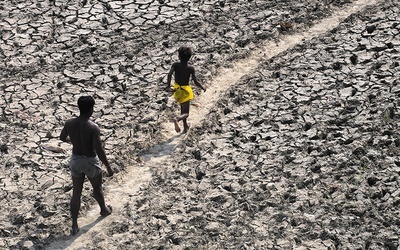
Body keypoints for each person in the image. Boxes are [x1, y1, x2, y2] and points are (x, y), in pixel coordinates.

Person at [60, 96, 114, 235]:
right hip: (90, 160)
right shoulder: (92, 127)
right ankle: (103, 209)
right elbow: (99, 149)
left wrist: (73, 141)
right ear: (91, 109)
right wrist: (108, 166)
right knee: (97, 187)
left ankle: (74, 225)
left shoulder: (69, 123)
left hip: (76, 160)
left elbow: (62, 137)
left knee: (76, 193)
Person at [166, 47, 206, 133]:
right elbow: (195, 81)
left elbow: (169, 74)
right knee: (186, 113)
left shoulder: (175, 65)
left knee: (182, 108)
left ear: (179, 57)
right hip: (185, 91)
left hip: (176, 90)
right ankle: (178, 119)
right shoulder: (190, 68)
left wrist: (168, 87)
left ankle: (185, 126)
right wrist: (202, 87)